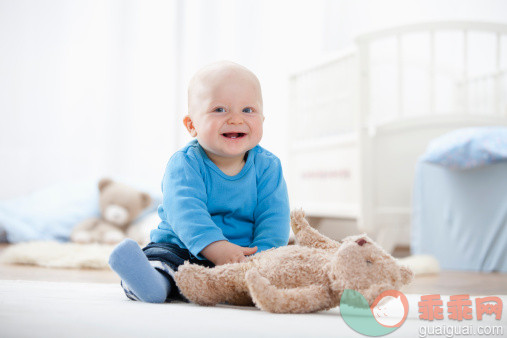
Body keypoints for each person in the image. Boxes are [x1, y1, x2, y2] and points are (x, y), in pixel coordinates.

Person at [108, 61, 290, 303]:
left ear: (263, 119)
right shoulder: (185, 164)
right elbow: (186, 213)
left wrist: (262, 258)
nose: (236, 119)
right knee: (165, 263)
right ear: (192, 125)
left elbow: (274, 219)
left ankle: (245, 285)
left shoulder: (268, 166)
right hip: (182, 248)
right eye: (220, 109)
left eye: (248, 110)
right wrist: (216, 248)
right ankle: (151, 283)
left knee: (282, 268)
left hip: (243, 256)